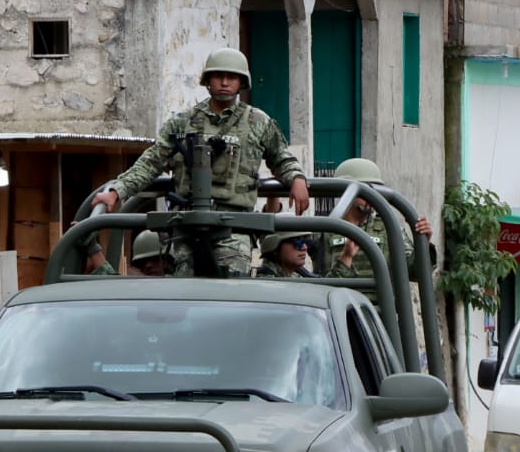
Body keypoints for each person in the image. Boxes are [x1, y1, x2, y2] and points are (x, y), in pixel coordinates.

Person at [90, 48, 310, 276]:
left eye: (232, 77)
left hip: (234, 224)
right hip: (186, 222)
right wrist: (117, 190)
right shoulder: (183, 123)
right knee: (183, 289)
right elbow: (150, 162)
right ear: (208, 81)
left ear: (242, 82)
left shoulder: (258, 122)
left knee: (234, 286)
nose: (224, 82)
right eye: (218, 76)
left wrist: (296, 178)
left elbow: (282, 158)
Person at [324, 157, 434, 287]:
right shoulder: (328, 229)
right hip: (342, 305)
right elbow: (322, 282)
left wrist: (423, 244)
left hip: (381, 306)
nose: (370, 196)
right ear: (345, 191)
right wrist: (345, 258)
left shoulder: (388, 226)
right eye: (364, 190)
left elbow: (414, 273)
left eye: (374, 190)